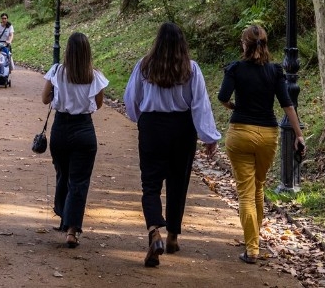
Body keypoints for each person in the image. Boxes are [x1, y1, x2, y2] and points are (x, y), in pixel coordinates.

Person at [123, 22, 221, 268]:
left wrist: (141, 119)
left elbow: (131, 98)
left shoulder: (145, 66)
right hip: (182, 129)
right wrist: (209, 137)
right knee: (178, 182)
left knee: (150, 183)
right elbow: (200, 104)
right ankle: (173, 236)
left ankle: (154, 230)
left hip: (152, 127)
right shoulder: (191, 69)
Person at [217, 23, 305, 265]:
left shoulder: (235, 69)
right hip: (267, 135)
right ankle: (254, 239)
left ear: (244, 45)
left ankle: (252, 248)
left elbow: (223, 97)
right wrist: (298, 135)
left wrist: (232, 106)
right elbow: (287, 104)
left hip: (240, 133)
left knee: (245, 192)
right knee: (258, 187)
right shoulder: (275, 71)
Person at [42, 31, 108, 249]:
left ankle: (64, 215)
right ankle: (72, 229)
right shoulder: (94, 76)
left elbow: (44, 99)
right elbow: (98, 104)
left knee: (63, 174)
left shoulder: (57, 71)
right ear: (87, 52)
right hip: (84, 129)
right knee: (79, 180)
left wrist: (61, 96)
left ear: (68, 51)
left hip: (60, 128)